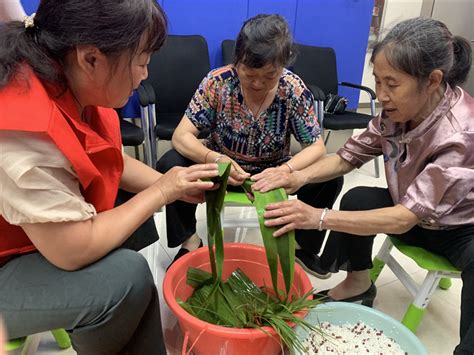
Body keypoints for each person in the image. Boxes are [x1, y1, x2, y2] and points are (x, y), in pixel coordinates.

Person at [0, 1, 219, 354]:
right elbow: (73, 251)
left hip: (32, 234)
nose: (145, 75)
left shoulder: (67, 75)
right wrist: (163, 190)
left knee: (131, 254)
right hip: (8, 264)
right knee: (125, 278)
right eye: (142, 62)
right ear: (91, 58)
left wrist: (176, 185)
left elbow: (105, 158)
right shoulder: (22, 134)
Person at [252, 17, 474, 354]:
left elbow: (402, 218)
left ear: (432, 81)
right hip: (411, 213)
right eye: (378, 82)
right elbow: (347, 157)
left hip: (458, 230)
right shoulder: (395, 111)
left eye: (392, 84)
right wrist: (296, 176)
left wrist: (317, 217)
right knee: (358, 197)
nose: (381, 95)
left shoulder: (460, 133)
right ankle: (358, 283)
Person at [156, 14, 343, 277]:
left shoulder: (293, 90)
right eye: (249, 73)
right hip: (222, 167)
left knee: (330, 177)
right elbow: (181, 136)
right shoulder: (218, 83)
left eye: (269, 76)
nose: (257, 83)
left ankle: (303, 247)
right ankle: (189, 242)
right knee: (170, 163)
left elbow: (316, 147)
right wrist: (214, 159)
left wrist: (287, 170)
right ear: (237, 61)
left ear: (283, 66)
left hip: (273, 172)